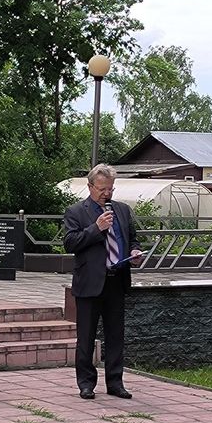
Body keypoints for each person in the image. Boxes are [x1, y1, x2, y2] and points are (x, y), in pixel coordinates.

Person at [63, 163, 143, 400]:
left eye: (110, 189)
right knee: (86, 336)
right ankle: (86, 383)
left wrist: (136, 253)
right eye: (101, 189)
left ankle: (115, 382)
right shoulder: (76, 212)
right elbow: (70, 243)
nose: (106, 194)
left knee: (116, 334)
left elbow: (133, 239)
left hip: (117, 280)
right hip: (89, 282)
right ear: (90, 187)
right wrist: (96, 228)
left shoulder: (123, 211)